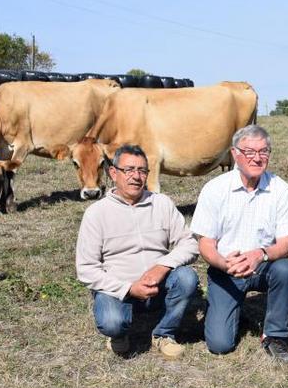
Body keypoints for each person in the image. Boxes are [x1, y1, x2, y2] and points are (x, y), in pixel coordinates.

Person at [190, 124, 288, 363]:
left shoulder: (281, 190)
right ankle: (227, 311)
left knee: (284, 269)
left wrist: (259, 254)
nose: (257, 158)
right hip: (225, 269)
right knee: (220, 345)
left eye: (263, 152)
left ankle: (275, 335)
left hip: (263, 266)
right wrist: (223, 263)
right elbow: (205, 244)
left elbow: (286, 245)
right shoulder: (215, 189)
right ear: (234, 154)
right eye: (249, 151)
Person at [76, 144, 200, 359]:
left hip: (157, 284)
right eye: (129, 170)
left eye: (142, 170)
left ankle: (164, 333)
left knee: (187, 278)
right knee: (112, 322)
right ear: (113, 173)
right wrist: (129, 288)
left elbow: (190, 243)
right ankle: (119, 333)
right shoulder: (96, 213)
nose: (136, 176)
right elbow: (86, 269)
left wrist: (162, 267)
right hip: (117, 288)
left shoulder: (162, 203)